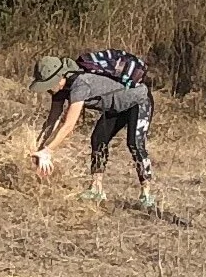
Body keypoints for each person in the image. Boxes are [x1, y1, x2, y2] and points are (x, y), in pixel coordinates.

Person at [29, 53, 158, 209]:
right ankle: (96, 188)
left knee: (134, 143)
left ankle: (147, 194)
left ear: (59, 77)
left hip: (138, 100)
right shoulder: (59, 90)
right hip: (115, 106)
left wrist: (48, 151)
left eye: (49, 84)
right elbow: (52, 120)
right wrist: (39, 148)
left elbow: (68, 125)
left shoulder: (80, 84)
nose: (48, 89)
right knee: (98, 139)